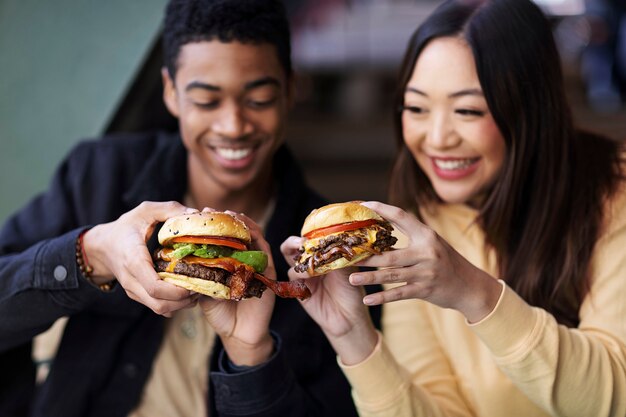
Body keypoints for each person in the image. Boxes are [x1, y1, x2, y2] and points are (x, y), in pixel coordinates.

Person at [0, 1, 379, 416]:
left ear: (290, 90)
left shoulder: (328, 255)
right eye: (206, 101)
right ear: (171, 92)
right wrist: (91, 253)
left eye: (259, 99)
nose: (233, 125)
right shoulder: (99, 175)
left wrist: (252, 354)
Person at [281, 0, 626, 416]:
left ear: (531, 109)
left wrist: (472, 292)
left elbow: (614, 400)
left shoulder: (614, 196)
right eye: (417, 107)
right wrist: (353, 337)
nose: (438, 138)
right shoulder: (417, 227)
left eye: (467, 110)